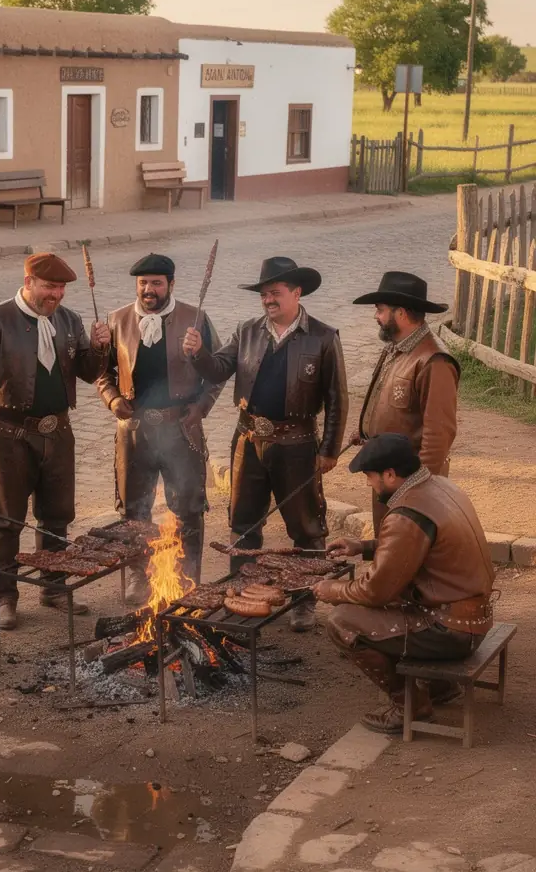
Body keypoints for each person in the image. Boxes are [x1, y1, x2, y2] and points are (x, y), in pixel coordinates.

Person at [183, 255, 348, 632]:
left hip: (298, 443)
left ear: (296, 292)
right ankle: (243, 592)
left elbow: (338, 398)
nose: (268, 300)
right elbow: (218, 370)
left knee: (306, 526)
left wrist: (329, 450)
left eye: (275, 293)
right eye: (263, 294)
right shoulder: (247, 331)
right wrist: (197, 354)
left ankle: (304, 600)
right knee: (243, 523)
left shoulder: (323, 337)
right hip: (248, 440)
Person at [0, 252, 111, 631]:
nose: (56, 295)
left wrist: (99, 348)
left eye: (61, 288)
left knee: (57, 516)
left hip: (58, 433)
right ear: (28, 282)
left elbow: (88, 373)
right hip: (10, 435)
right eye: (49, 286)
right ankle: (6, 597)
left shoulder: (69, 320)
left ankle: (53, 587)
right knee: (4, 519)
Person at [314, 433, 494, 735]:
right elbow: (418, 547)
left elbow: (375, 590)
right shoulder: (437, 486)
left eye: (370, 478)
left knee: (342, 621)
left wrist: (329, 590)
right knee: (387, 604)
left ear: (390, 474)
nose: (369, 485)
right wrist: (363, 547)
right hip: (473, 618)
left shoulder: (407, 514)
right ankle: (439, 685)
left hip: (452, 630)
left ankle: (410, 707)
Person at [96, 253, 223, 606]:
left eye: (156, 283)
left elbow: (216, 373)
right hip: (134, 433)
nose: (149, 290)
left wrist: (200, 409)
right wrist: (111, 399)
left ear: (170, 284)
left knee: (189, 507)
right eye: (143, 284)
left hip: (180, 430)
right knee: (135, 511)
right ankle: (139, 575)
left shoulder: (195, 319)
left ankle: (187, 578)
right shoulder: (117, 320)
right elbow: (102, 373)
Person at [351, 271, 459, 531]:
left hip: (409, 482)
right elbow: (390, 403)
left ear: (400, 313)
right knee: (388, 542)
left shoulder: (434, 361)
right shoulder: (397, 346)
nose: (376, 317)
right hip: (390, 477)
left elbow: (438, 435)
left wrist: (418, 491)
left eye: (380, 310)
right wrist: (367, 431)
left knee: (408, 549)